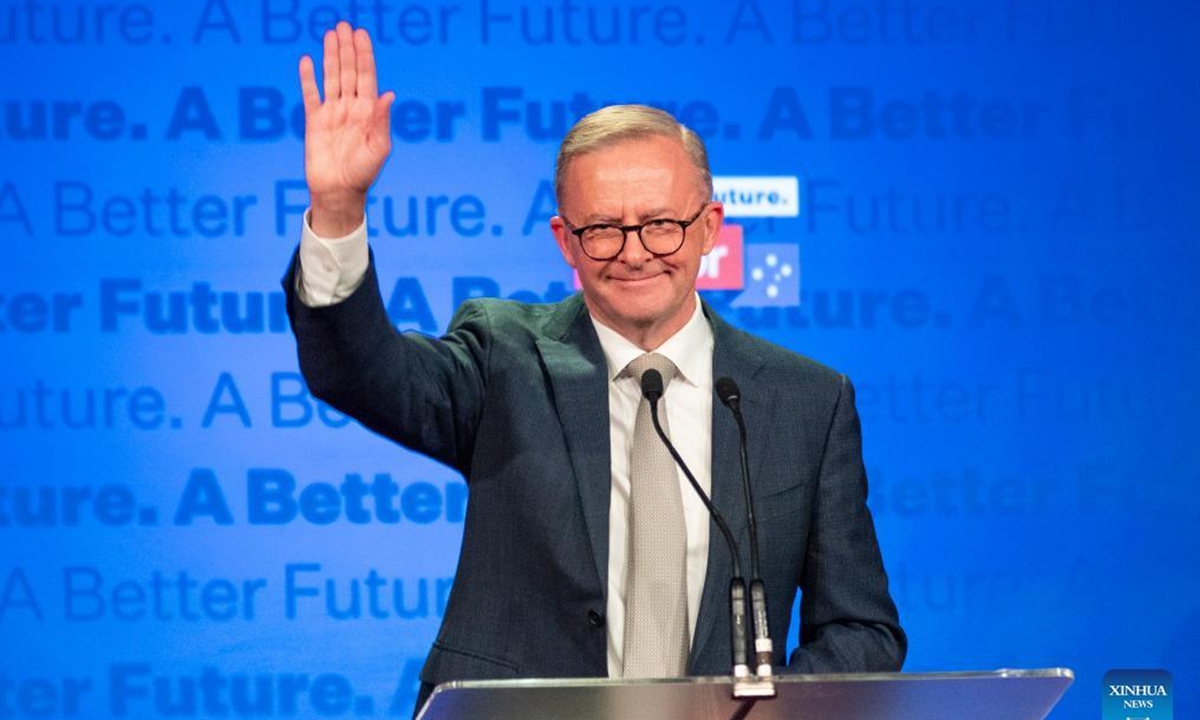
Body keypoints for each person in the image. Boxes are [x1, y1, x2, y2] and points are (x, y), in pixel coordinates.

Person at [283, 21, 905, 714]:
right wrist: (339, 210)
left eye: (661, 223)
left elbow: (861, 629)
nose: (634, 252)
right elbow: (361, 373)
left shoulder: (805, 401)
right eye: (603, 229)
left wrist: (761, 707)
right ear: (566, 242)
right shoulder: (503, 359)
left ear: (708, 227)